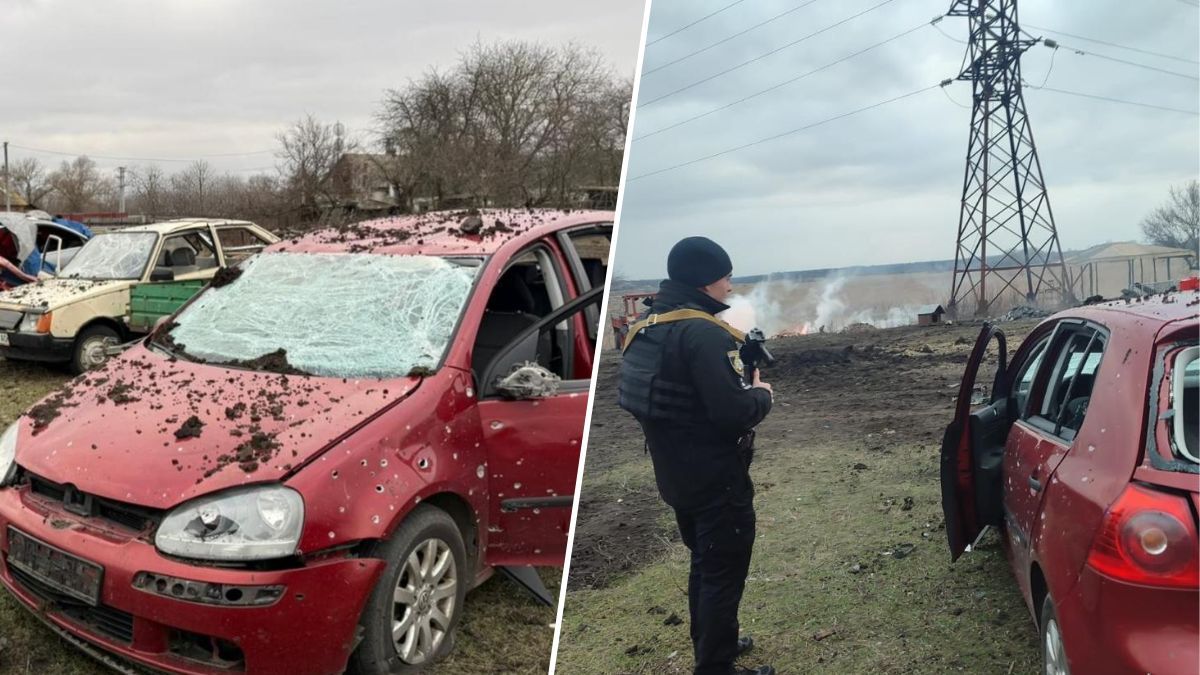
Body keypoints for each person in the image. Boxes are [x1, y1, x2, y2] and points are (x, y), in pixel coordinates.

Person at [617, 236, 775, 675]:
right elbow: (733, 414)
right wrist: (761, 395)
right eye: (726, 276)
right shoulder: (701, 333)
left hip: (675, 475)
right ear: (707, 280)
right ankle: (715, 666)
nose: (729, 284)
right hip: (715, 478)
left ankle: (715, 646)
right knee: (721, 570)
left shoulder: (647, 325)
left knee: (705, 564)